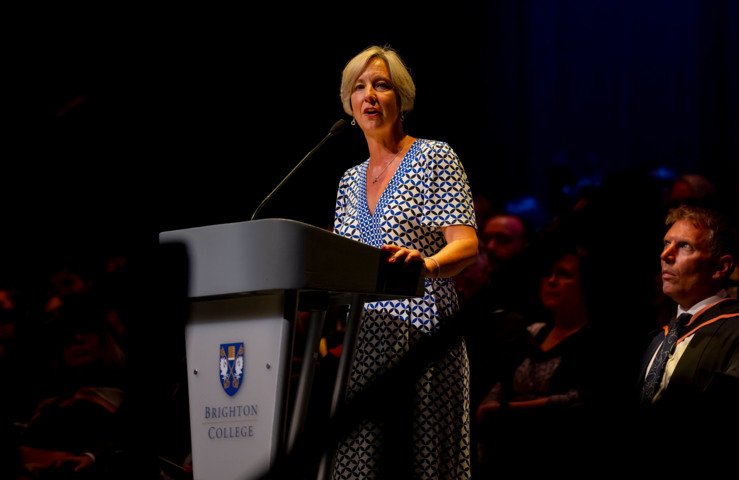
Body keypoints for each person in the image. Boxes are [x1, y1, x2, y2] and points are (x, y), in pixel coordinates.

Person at [330, 45, 479, 479]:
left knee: (418, 463)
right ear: (349, 103)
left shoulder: (433, 157)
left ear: (402, 98)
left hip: (424, 335)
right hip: (363, 344)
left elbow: (466, 246)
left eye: (381, 84)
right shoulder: (348, 181)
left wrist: (427, 265)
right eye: (359, 87)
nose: (369, 95)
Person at [636, 204, 739, 461]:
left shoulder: (735, 329)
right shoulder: (659, 338)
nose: (665, 254)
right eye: (666, 243)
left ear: (720, 267)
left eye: (685, 246)